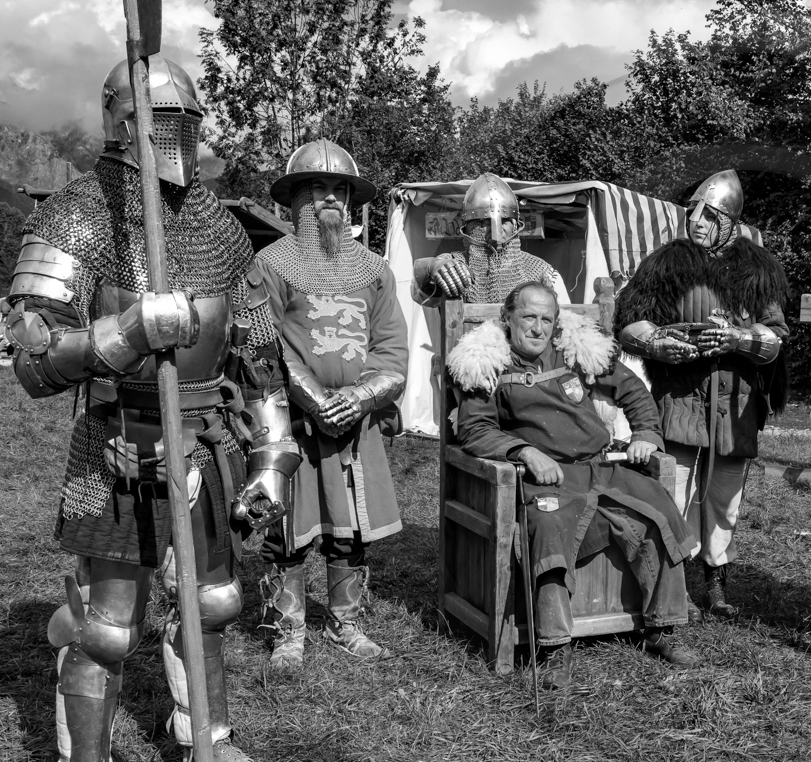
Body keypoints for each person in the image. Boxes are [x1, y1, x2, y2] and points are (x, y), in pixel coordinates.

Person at [1, 58, 297, 762]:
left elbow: (260, 360)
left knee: (210, 603)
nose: (174, 140)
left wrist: (271, 460)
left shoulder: (221, 226)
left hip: (202, 442)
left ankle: (207, 739)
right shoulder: (76, 215)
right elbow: (30, 361)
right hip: (115, 444)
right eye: (159, 122)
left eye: (184, 124)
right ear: (121, 121)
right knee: (104, 629)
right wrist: (125, 334)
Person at [449, 281, 699, 689]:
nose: (537, 328)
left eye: (546, 318)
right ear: (508, 319)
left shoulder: (575, 351)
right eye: (528, 317)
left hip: (600, 467)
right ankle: (554, 647)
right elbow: (474, 430)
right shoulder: (486, 362)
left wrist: (646, 436)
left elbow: (633, 390)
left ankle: (661, 629)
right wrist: (525, 452)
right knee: (547, 530)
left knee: (656, 511)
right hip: (547, 479)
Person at [254, 139, 409, 668]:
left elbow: (392, 349)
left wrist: (361, 397)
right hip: (290, 418)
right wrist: (315, 398)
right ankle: (288, 629)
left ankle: (346, 623)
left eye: (339, 189)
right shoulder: (271, 264)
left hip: (355, 420)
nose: (330, 199)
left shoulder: (375, 270)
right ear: (295, 200)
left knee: (351, 526)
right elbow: (262, 346)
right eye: (317, 188)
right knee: (287, 528)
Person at [614, 170, 790, 617]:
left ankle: (716, 580)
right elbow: (628, 321)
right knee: (672, 491)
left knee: (724, 496)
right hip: (680, 397)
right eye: (693, 211)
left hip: (736, 403)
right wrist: (658, 343)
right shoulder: (667, 263)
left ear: (730, 220)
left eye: (710, 214)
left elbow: (776, 338)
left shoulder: (758, 270)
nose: (697, 222)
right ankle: (673, 580)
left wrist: (738, 339)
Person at [411, 172, 569, 307]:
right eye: (484, 222)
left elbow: (564, 318)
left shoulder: (541, 271)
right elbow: (419, 297)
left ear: (516, 225)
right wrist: (432, 267)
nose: (496, 229)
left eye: (505, 220)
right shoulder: (454, 264)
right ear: (470, 228)